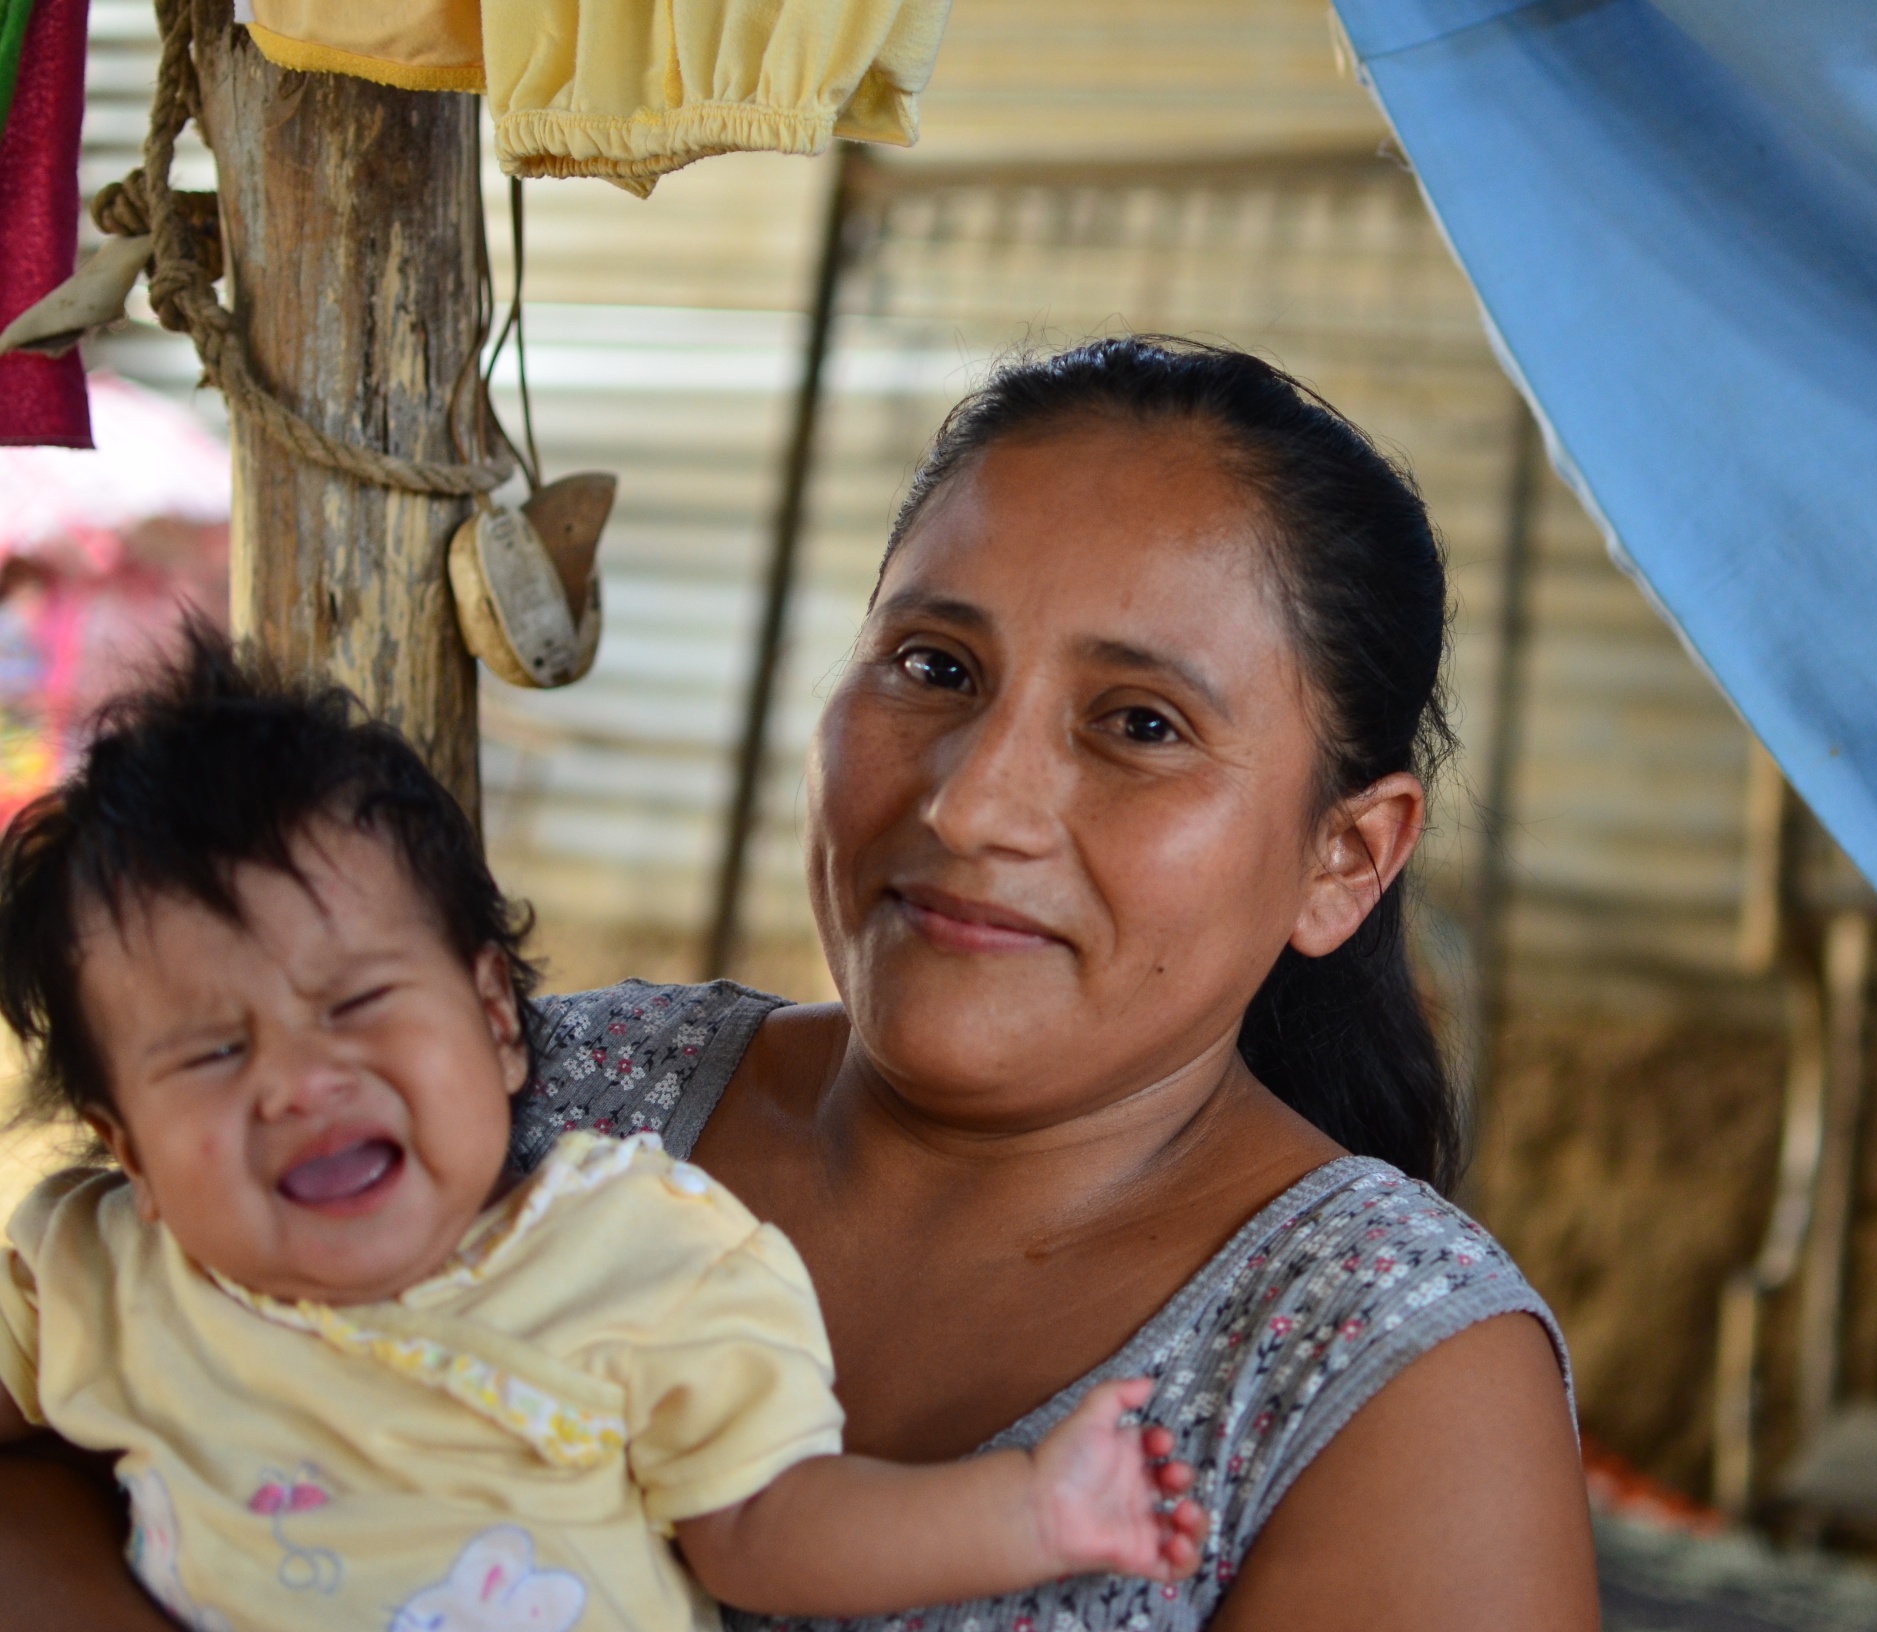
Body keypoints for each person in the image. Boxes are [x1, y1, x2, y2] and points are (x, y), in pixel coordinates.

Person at [0, 336, 1599, 1628]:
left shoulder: (1373, 1371)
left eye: (1141, 725)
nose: (973, 804)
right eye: (935, 668)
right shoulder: (540, 1099)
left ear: (1346, 858)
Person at [0, 635, 1209, 1632]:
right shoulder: (89, 1271)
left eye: (356, 1003)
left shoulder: (637, 1259)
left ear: (495, 1023)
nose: (299, 1083)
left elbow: (766, 1529)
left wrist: (1027, 1511)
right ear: (130, 1149)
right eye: (213, 1054)